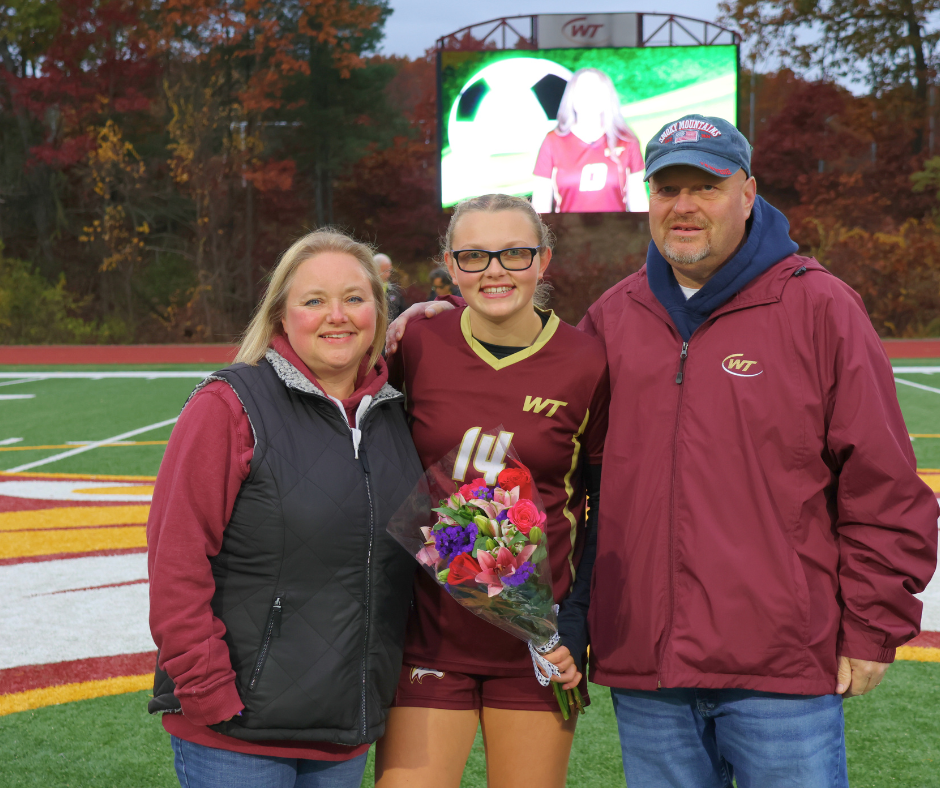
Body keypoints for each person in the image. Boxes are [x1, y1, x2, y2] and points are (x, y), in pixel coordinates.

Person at [386, 115, 939, 787]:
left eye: (705, 186)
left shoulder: (819, 307)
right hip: (647, 673)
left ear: (747, 192)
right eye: (668, 187)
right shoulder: (615, 321)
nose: (684, 206)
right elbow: (579, 491)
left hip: (779, 668)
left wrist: (873, 626)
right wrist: (428, 318)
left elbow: (884, 485)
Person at [147, 229, 424, 788]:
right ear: (281, 315)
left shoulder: (394, 416)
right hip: (237, 731)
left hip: (344, 733)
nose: (337, 316)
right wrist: (205, 690)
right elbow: (175, 560)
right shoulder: (228, 405)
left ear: (380, 309)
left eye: (354, 297)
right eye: (314, 300)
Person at [375, 194, 609, 788]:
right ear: (450, 265)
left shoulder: (589, 361)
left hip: (535, 646)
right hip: (427, 636)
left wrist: (574, 628)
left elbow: (603, 503)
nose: (495, 270)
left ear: (544, 260)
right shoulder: (418, 344)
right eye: (474, 256)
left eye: (514, 253)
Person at [531, 68, 647, 214]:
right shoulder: (552, 141)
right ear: (571, 97)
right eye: (581, 90)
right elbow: (540, 207)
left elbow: (639, 204)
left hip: (618, 234)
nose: (588, 96)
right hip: (567, 235)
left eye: (595, 90)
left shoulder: (627, 141)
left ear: (607, 97)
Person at [375, 252, 405, 322]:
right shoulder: (366, 290)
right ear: (374, 269)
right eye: (385, 271)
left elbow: (402, 313)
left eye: (390, 271)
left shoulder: (395, 291)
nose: (388, 275)